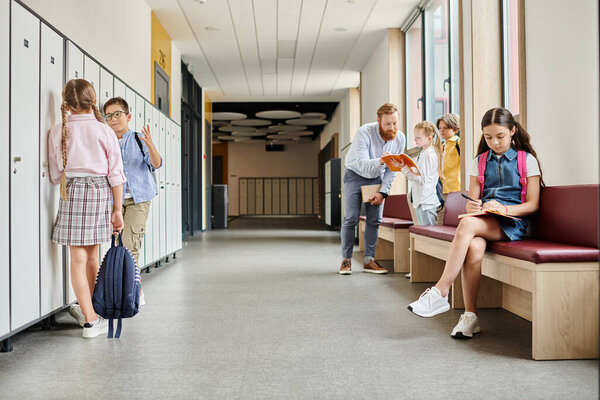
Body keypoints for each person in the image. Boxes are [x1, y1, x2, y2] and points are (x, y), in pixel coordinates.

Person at [407, 107, 542, 339]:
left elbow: (533, 205)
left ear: (513, 131)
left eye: (500, 136)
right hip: (485, 220)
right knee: (475, 246)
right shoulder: (478, 161)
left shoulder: (526, 160)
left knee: (468, 225)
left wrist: (504, 208)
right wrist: (473, 206)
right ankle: (470, 316)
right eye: (488, 137)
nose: (495, 142)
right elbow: (473, 198)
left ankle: (440, 292)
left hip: (514, 222)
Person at [48, 79, 125, 339]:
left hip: (72, 192)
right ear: (93, 102)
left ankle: (90, 317)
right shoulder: (105, 131)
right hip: (100, 192)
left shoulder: (59, 130)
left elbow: (55, 172)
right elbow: (116, 174)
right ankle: (93, 313)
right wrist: (117, 209)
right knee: (93, 256)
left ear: (66, 104)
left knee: (77, 260)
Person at [339, 103, 405, 275]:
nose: (392, 128)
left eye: (395, 123)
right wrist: (381, 161)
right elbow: (362, 164)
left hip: (376, 177)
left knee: (374, 220)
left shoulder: (400, 138)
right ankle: (346, 260)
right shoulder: (364, 132)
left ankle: (369, 260)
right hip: (355, 174)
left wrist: (383, 192)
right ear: (378, 121)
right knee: (351, 217)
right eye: (387, 124)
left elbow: (393, 170)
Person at [103, 97, 162, 271]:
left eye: (117, 114)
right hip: (115, 201)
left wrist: (150, 146)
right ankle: (123, 287)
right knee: (117, 244)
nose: (113, 119)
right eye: (108, 116)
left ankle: (133, 290)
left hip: (138, 200)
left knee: (130, 245)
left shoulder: (139, 139)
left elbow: (156, 164)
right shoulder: (106, 141)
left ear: (128, 116)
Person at [398, 121, 443, 226]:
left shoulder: (429, 155)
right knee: (422, 237)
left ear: (429, 138)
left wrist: (404, 169)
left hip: (426, 203)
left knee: (428, 238)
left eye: (418, 138)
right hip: (421, 202)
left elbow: (422, 180)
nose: (415, 140)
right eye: (415, 137)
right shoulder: (423, 153)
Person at [436, 113, 461, 224]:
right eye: (440, 128)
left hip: (454, 190)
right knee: (440, 222)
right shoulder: (441, 146)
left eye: (445, 128)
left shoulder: (458, 143)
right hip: (441, 190)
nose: (442, 131)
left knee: (453, 223)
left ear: (455, 129)